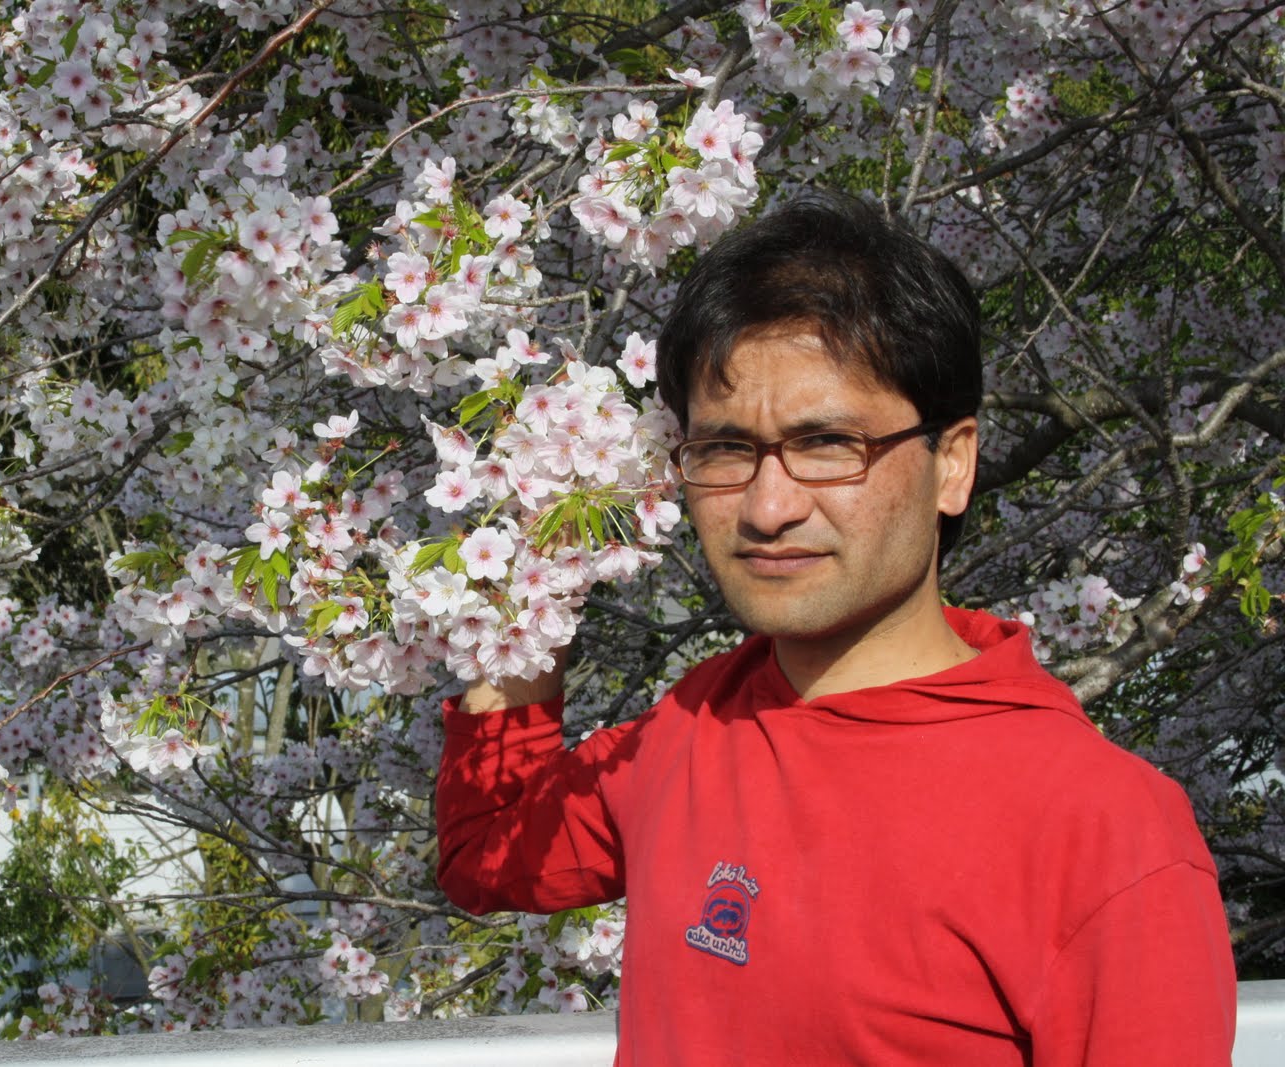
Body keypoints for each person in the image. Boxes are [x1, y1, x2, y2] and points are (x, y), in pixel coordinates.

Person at [434, 191, 1236, 1065]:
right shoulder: (693, 728)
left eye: (827, 444)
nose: (767, 507)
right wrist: (531, 569)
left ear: (952, 464)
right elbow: (487, 848)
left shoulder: (1105, 831)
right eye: (725, 449)